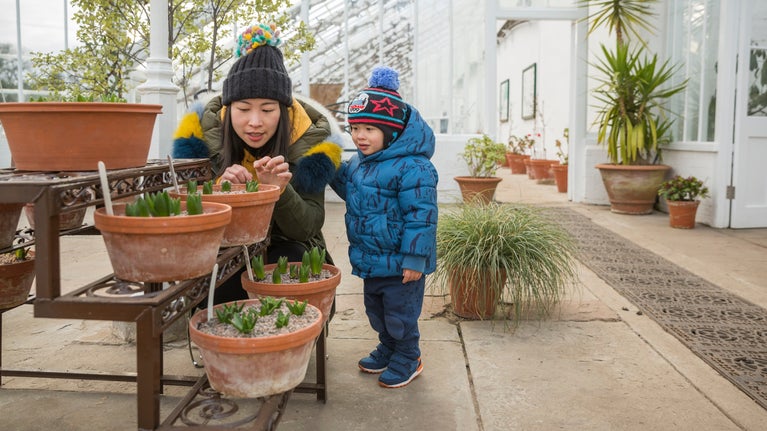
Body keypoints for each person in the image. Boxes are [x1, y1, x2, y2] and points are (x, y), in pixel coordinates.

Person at [173, 23, 342, 303]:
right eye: (243, 109)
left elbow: (307, 227)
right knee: (214, 282)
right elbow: (188, 218)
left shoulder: (309, 143)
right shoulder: (201, 142)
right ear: (227, 110)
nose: (254, 122)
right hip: (227, 248)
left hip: (289, 249)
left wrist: (278, 190)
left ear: (284, 111)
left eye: (267, 109)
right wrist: (218, 192)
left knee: (292, 262)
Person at [330, 66, 438, 388]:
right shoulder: (360, 163)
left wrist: (415, 258)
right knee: (376, 311)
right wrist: (328, 166)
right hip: (372, 259)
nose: (360, 136)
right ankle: (388, 348)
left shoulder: (414, 166)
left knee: (400, 315)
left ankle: (408, 356)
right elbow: (348, 189)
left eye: (369, 129)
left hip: (402, 264)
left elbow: (422, 215)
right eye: (355, 128)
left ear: (391, 132)